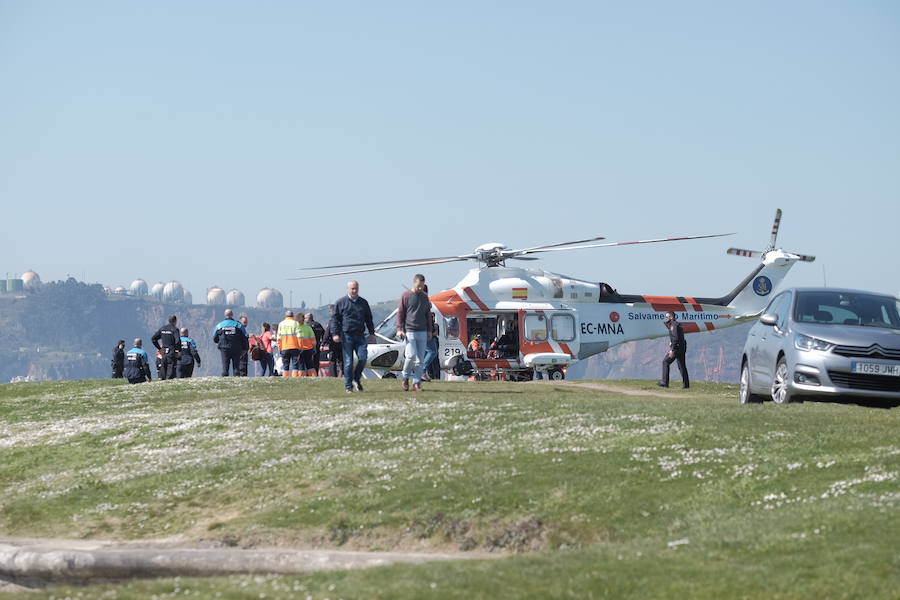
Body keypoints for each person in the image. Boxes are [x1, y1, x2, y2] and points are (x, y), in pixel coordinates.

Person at [331, 280, 376, 392]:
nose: (354, 291)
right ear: (348, 289)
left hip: (360, 335)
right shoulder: (341, 302)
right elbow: (335, 319)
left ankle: (356, 378)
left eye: (356, 288)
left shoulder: (363, 303)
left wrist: (372, 333)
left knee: (363, 358)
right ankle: (348, 386)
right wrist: (335, 334)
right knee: (348, 362)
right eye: (352, 289)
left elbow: (369, 319)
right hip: (347, 336)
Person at [397, 274, 432, 392]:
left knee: (420, 360)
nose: (420, 289)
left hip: (422, 331)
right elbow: (400, 313)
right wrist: (399, 329)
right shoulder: (406, 296)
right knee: (410, 356)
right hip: (410, 330)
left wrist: (430, 330)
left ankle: (416, 383)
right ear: (414, 283)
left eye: (422, 286)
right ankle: (405, 377)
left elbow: (428, 314)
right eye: (418, 286)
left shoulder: (425, 297)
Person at [658, 311, 689, 389]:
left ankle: (664, 382)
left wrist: (672, 349)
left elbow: (675, 338)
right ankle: (686, 385)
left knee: (665, 362)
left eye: (667, 317)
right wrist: (671, 342)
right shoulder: (677, 324)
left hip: (677, 348)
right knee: (682, 366)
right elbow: (677, 337)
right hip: (682, 347)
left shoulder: (673, 325)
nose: (666, 319)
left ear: (671, 317)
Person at [214, 309, 248, 376]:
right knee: (236, 368)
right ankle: (236, 382)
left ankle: (225, 382)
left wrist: (221, 341)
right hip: (236, 348)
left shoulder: (219, 326)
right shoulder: (239, 325)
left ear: (225, 315)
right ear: (232, 315)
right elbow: (245, 338)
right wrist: (245, 349)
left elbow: (215, 339)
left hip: (224, 349)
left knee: (225, 368)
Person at [151, 315, 182, 380]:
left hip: (164, 352)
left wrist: (159, 348)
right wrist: (178, 350)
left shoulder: (162, 328)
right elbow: (178, 340)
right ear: (175, 321)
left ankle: (163, 382)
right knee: (171, 371)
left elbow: (153, 339)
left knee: (163, 370)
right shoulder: (175, 329)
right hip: (171, 352)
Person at [277, 310, 303, 377]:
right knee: (295, 364)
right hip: (294, 347)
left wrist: (279, 348)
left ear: (285, 316)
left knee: (285, 364)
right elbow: (299, 337)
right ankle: (294, 377)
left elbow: (278, 338)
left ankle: (285, 377)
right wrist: (300, 347)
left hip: (284, 347)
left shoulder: (281, 324)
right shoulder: (296, 323)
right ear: (293, 316)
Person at [322, 304, 342, 378]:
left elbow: (327, 332)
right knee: (341, 360)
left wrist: (323, 343)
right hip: (342, 342)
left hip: (333, 343)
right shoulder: (342, 319)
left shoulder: (332, 321)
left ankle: (334, 376)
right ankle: (346, 375)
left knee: (332, 360)